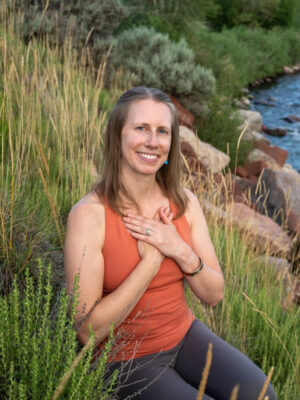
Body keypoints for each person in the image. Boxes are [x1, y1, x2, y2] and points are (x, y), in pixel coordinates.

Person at [64, 87, 277, 400]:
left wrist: (178, 249)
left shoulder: (184, 202)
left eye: (162, 131)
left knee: (262, 395)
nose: (153, 141)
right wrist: (150, 263)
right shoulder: (90, 216)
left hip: (184, 336)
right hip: (123, 359)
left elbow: (214, 294)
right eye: (141, 128)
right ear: (117, 136)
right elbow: (87, 331)